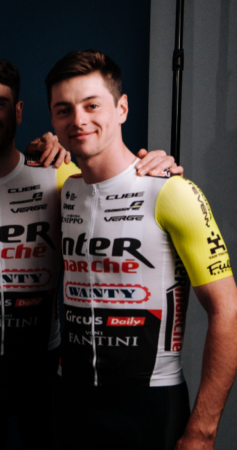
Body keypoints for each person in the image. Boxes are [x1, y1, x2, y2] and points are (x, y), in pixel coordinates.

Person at [0, 54, 181, 450]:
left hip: (45, 366)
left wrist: (154, 166)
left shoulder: (60, 176)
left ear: (18, 111)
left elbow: (111, 182)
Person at [47, 49, 237, 450]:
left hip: (149, 404)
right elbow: (28, 161)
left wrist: (203, 429)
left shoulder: (172, 191)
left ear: (122, 109)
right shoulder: (63, 186)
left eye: (91, 105)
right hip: (72, 399)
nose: (78, 120)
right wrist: (42, 144)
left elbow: (228, 310)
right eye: (63, 110)